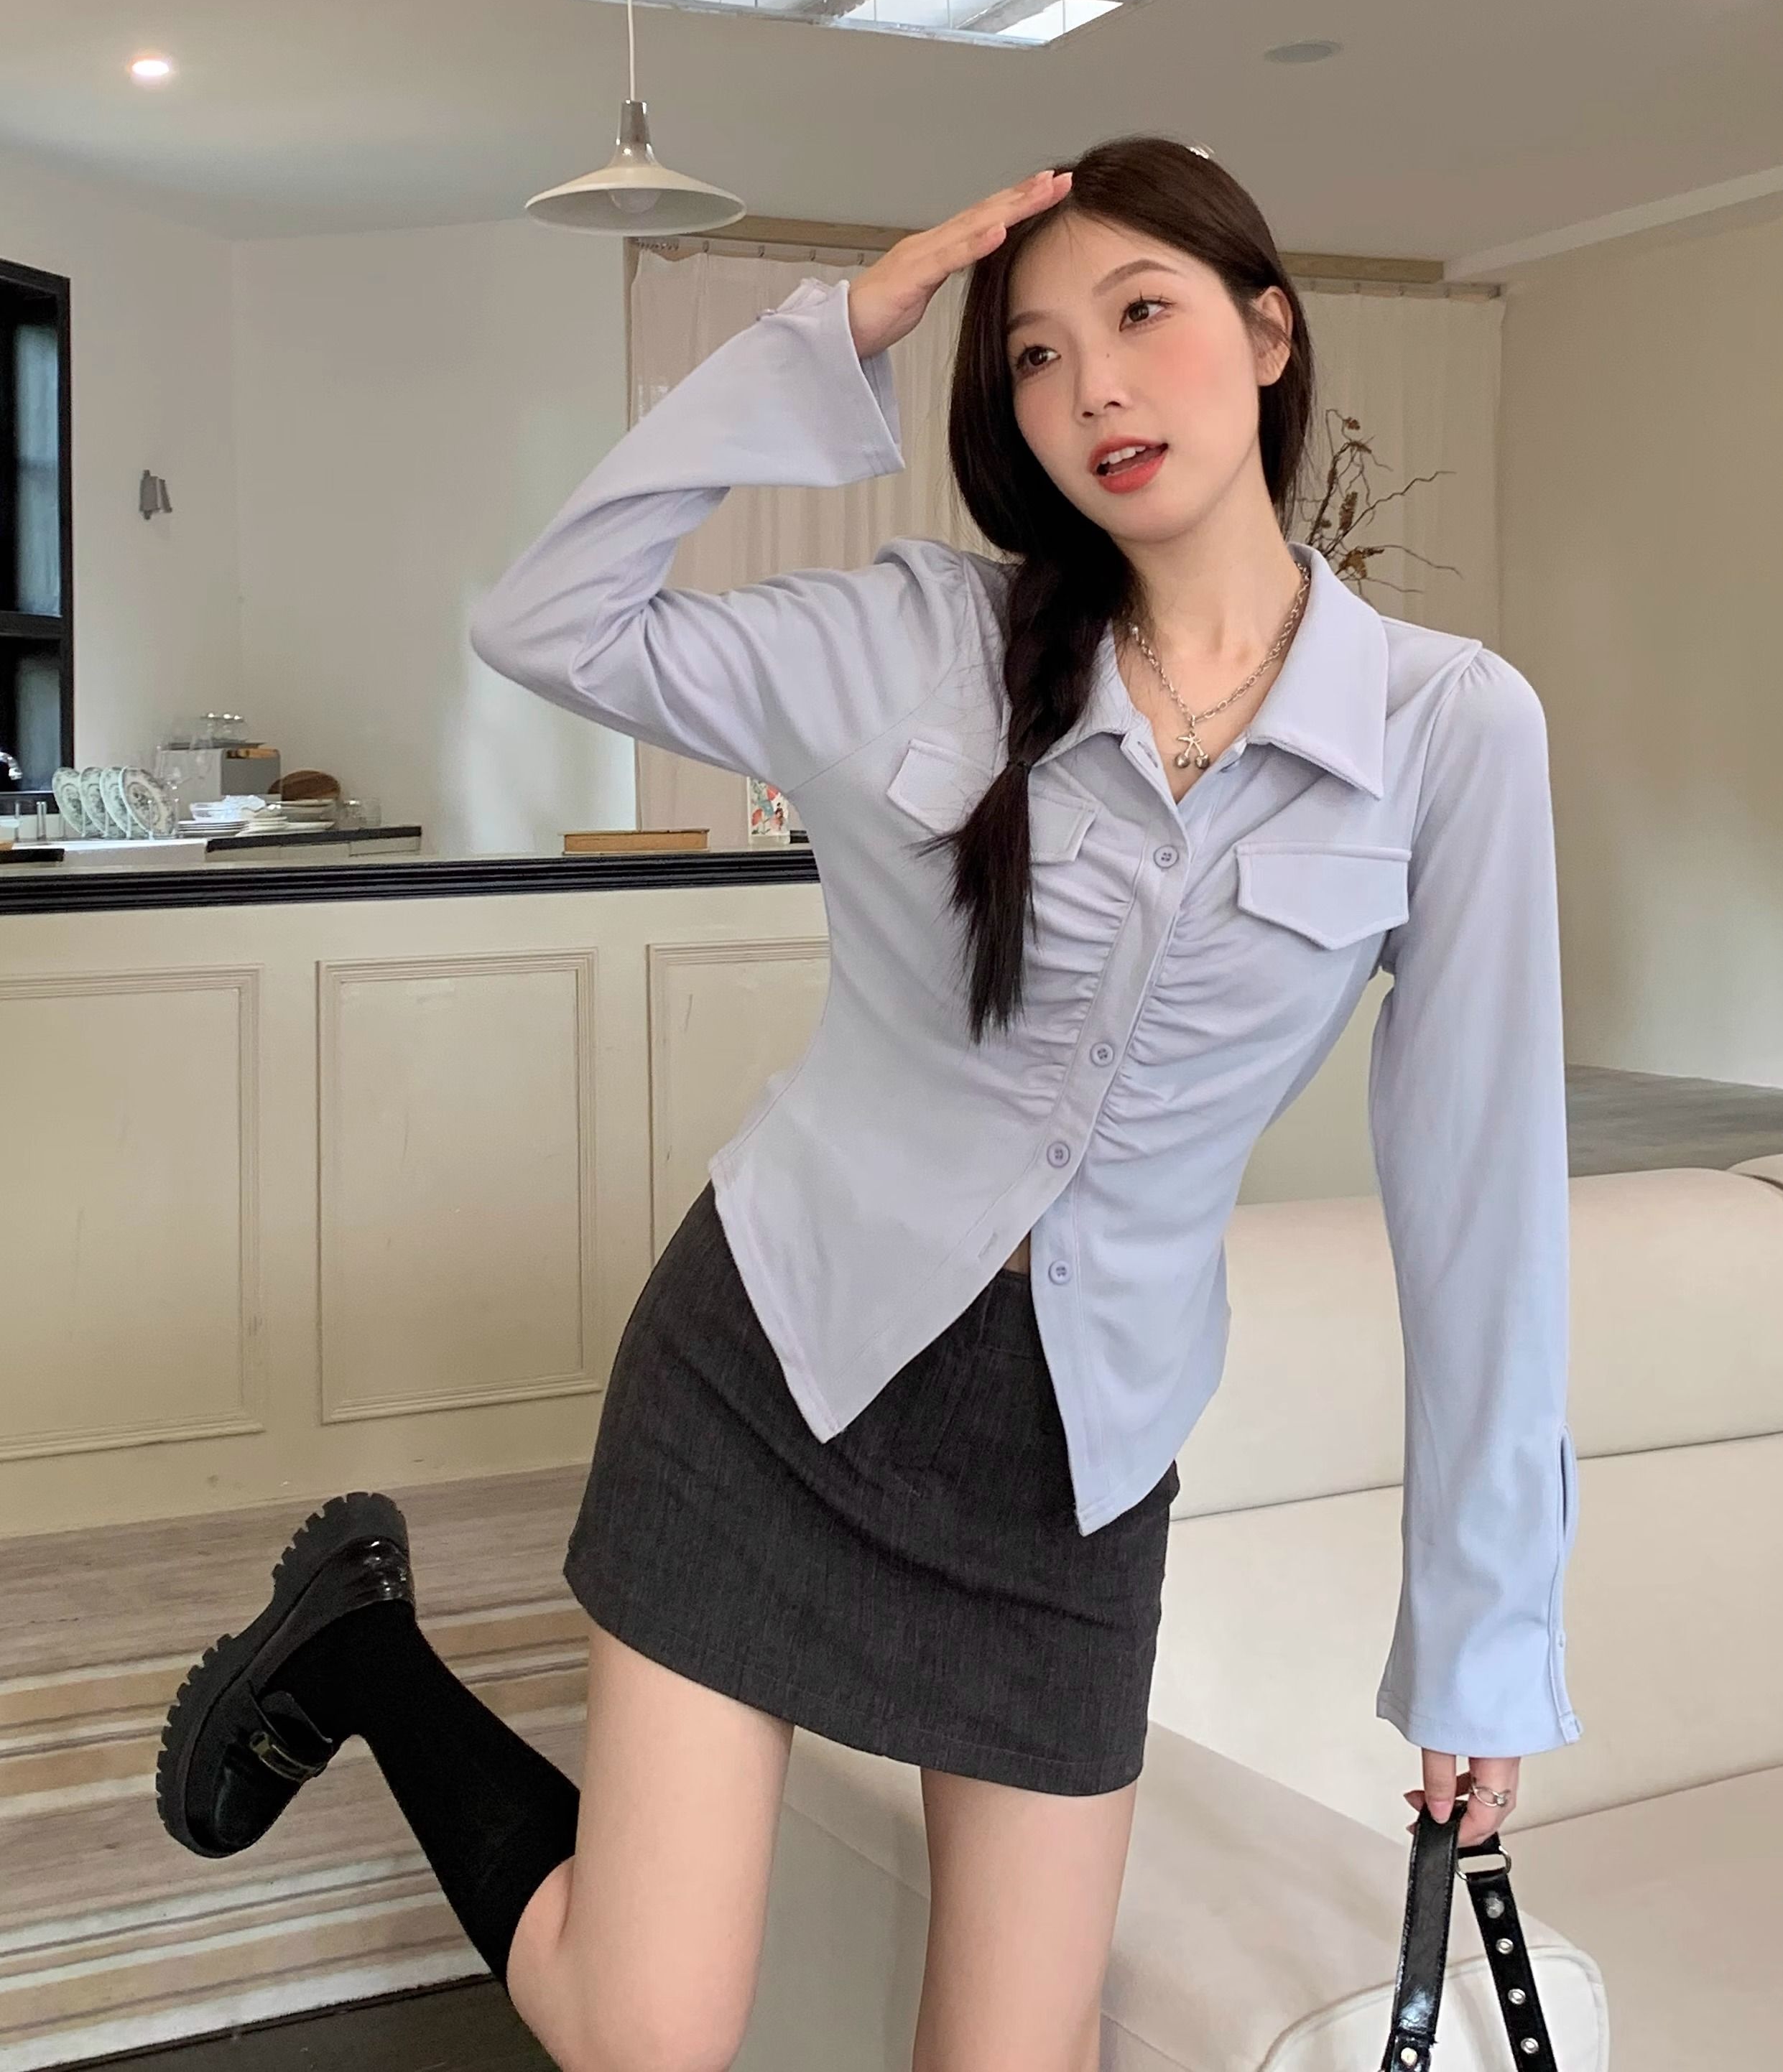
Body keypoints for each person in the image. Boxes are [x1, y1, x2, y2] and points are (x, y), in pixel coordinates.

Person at [155, 137, 1580, 2072]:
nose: (1093, 387)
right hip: (775, 1368)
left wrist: (1482, 1646)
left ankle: (354, 1636)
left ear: (1268, 333)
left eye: (1142, 315)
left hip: (1074, 1467)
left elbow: (1483, 1205)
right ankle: (367, 1652)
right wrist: (831, 335)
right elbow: (548, 621)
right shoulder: (925, 639)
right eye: (1035, 355)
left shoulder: (1449, 730)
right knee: (645, 2033)